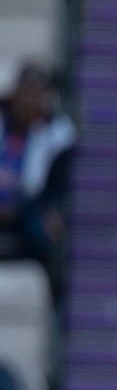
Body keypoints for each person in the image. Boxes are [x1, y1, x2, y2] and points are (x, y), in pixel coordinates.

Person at [0, 60, 75, 304]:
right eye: (26, 91)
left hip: (28, 207)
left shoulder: (58, 132)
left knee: (45, 228)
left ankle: (54, 301)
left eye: (38, 93)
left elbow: (53, 184)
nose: (30, 100)